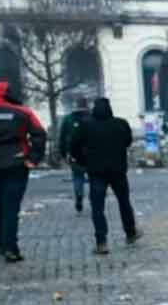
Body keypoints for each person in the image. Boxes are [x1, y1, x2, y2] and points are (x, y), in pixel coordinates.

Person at [0, 81, 47, 262]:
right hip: (16, 163)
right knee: (11, 206)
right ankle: (11, 247)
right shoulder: (23, 112)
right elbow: (39, 133)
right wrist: (33, 158)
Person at [70, 98, 142, 254]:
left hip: (96, 171)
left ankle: (101, 242)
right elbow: (128, 141)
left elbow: (73, 145)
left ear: (94, 109)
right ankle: (130, 233)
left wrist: (83, 160)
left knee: (97, 207)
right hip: (118, 169)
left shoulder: (86, 125)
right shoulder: (121, 123)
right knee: (124, 202)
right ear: (110, 108)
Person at [59, 97, 91, 213]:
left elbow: (62, 137)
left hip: (74, 154)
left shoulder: (68, 119)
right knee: (94, 177)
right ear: (87, 105)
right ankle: (94, 199)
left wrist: (63, 153)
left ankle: (79, 196)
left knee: (78, 177)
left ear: (75, 105)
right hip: (91, 153)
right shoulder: (92, 117)